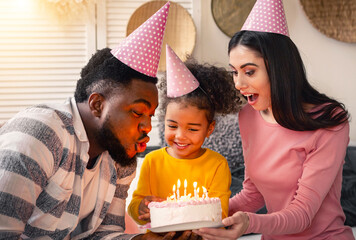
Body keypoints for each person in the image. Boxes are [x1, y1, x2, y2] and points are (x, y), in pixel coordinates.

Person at [0, 3, 195, 239]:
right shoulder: (41, 134)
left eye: (150, 116)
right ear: (97, 105)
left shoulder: (121, 160)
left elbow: (105, 233)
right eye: (137, 112)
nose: (147, 127)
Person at [193, 0, 355, 239]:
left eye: (249, 72)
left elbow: (302, 214)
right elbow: (253, 193)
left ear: (280, 69)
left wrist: (248, 224)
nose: (238, 84)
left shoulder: (330, 120)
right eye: (234, 72)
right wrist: (198, 217)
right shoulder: (248, 116)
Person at [127, 45, 243, 226]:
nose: (180, 136)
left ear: (209, 129)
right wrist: (140, 207)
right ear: (163, 120)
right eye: (172, 126)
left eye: (193, 129)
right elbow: (135, 209)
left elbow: (219, 213)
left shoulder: (217, 165)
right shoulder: (152, 161)